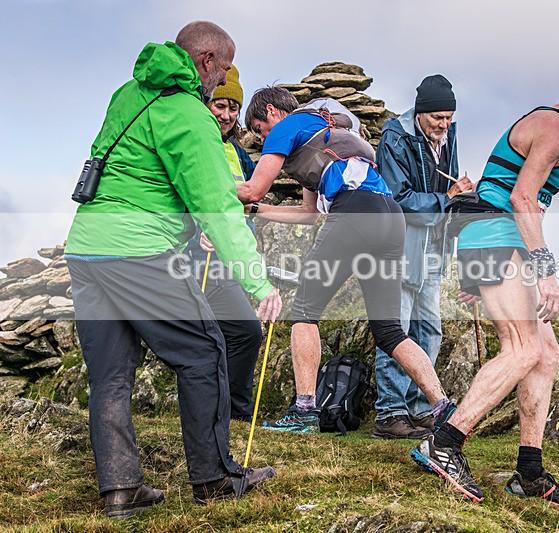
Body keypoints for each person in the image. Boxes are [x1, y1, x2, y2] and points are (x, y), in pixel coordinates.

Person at [64, 21, 281, 518]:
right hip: (137, 250)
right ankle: (215, 479)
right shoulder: (188, 114)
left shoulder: (129, 93)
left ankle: (121, 489)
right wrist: (255, 280)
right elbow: (217, 204)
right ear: (206, 61)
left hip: (86, 247)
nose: (221, 79)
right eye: (223, 68)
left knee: (111, 377)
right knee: (204, 352)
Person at [410, 62, 559, 505]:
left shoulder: (547, 125)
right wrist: (546, 272)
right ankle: (445, 443)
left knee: (546, 352)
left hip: (496, 240)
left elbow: (512, 193)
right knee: (522, 348)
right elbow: (522, 198)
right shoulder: (554, 127)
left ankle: (529, 471)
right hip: (495, 235)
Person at [237, 87, 454, 434]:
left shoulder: (285, 128)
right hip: (389, 216)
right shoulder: (326, 133)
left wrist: (210, 190)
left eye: (260, 129)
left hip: (355, 211)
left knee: (305, 311)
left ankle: (305, 410)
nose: (264, 139)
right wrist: (257, 211)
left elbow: (253, 188)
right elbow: (308, 214)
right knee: (389, 330)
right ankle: (444, 408)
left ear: (272, 113)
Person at [372, 74, 473, 439]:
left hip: (434, 246)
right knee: (395, 331)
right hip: (400, 246)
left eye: (448, 118)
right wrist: (447, 199)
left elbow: (447, 190)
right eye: (437, 119)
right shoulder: (394, 138)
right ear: (420, 113)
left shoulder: (450, 133)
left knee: (429, 330)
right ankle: (389, 413)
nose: (443, 126)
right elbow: (396, 199)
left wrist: (459, 195)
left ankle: (419, 408)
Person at [184, 64, 262, 422]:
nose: (227, 115)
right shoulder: (192, 141)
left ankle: (234, 413)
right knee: (211, 339)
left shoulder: (238, 154)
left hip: (225, 259)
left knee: (244, 331)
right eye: (220, 105)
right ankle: (220, 412)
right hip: (189, 259)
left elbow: (246, 202)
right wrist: (195, 226)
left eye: (233, 108)